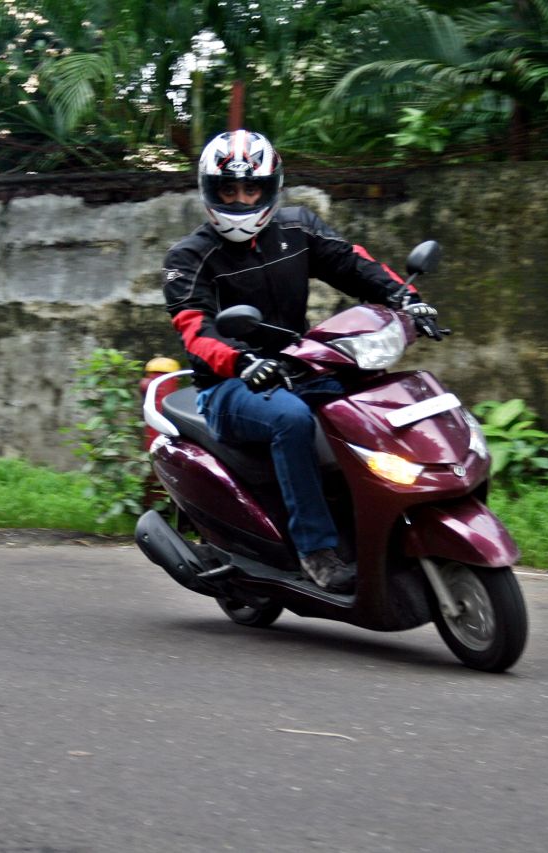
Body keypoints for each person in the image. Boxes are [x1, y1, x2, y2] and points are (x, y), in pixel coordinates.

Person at [162, 129, 442, 594]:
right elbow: (196, 329)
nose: (240, 200)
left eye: (251, 189)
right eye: (228, 190)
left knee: (368, 405)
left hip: (299, 367)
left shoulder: (298, 229)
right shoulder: (189, 257)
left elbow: (353, 264)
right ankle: (317, 552)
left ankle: (380, 522)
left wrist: (407, 299)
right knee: (290, 420)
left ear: (271, 188)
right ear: (210, 191)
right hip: (229, 386)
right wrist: (242, 362)